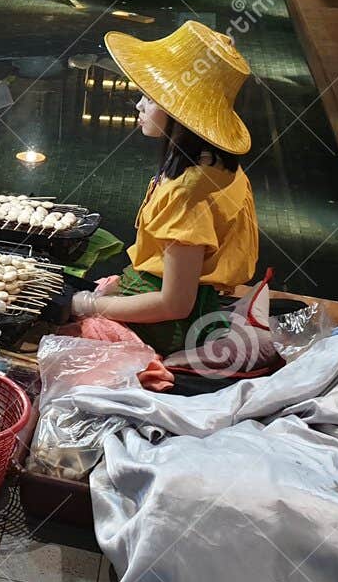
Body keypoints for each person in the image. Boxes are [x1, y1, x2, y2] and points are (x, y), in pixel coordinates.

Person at [70, 21, 259, 355]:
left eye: (150, 98)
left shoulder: (187, 195)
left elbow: (175, 304)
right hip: (189, 295)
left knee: (64, 333)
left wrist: (88, 305)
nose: (139, 106)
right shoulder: (215, 162)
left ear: (181, 113)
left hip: (180, 326)